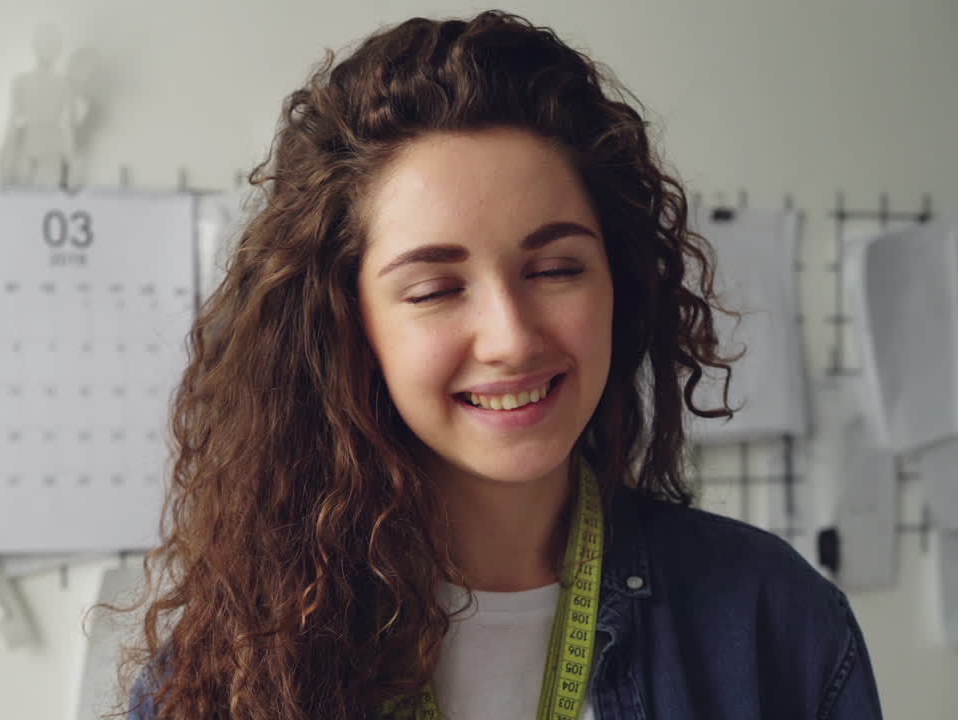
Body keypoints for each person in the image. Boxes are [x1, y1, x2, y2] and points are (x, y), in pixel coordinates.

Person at [111, 10, 883, 720]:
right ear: (348, 327)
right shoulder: (233, 668)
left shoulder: (772, 622)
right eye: (437, 288)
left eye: (554, 270)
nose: (510, 337)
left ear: (622, 282)